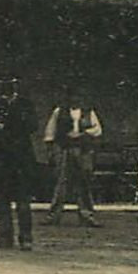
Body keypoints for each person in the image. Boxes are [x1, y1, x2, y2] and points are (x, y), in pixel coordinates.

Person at [0, 73, 38, 249]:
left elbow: (31, 126)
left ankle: (26, 238)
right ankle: (4, 236)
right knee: (0, 199)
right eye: (4, 84)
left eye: (11, 84)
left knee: (22, 200)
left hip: (20, 159)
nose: (7, 88)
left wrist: (6, 127)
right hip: (0, 159)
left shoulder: (25, 105)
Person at [43, 85, 103, 227]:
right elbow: (50, 132)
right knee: (61, 183)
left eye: (78, 97)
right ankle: (53, 215)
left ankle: (87, 215)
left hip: (82, 151)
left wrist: (84, 134)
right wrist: (52, 150)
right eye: (72, 97)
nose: (75, 100)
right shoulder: (59, 112)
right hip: (65, 150)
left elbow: (97, 130)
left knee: (84, 183)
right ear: (68, 98)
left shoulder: (89, 112)